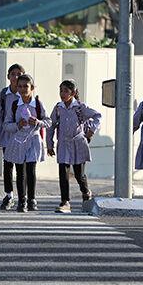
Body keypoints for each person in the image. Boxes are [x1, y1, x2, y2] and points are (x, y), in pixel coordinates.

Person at [47, 79, 100, 213]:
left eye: (66, 91)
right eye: (61, 91)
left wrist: (91, 131)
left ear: (73, 93)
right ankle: (65, 201)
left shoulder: (80, 108)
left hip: (78, 143)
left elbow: (97, 116)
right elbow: (51, 126)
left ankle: (86, 192)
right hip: (64, 143)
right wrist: (49, 144)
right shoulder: (58, 108)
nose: (62, 94)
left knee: (78, 174)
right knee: (63, 173)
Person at [2, 74, 50, 212]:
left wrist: (38, 122)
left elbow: (48, 121)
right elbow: (6, 124)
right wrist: (18, 125)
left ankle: (32, 199)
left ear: (32, 88)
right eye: (20, 86)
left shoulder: (38, 104)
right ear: (16, 88)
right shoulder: (14, 105)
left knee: (31, 170)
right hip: (18, 140)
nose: (23, 89)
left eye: (26, 86)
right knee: (20, 170)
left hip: (33, 139)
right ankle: (21, 200)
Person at [0, 63, 24, 210]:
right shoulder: (4, 95)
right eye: (13, 74)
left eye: (19, 74)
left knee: (21, 167)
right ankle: (9, 195)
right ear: (8, 76)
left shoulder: (26, 94)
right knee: (8, 167)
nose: (16, 77)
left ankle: (23, 197)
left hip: (23, 136)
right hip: (6, 135)